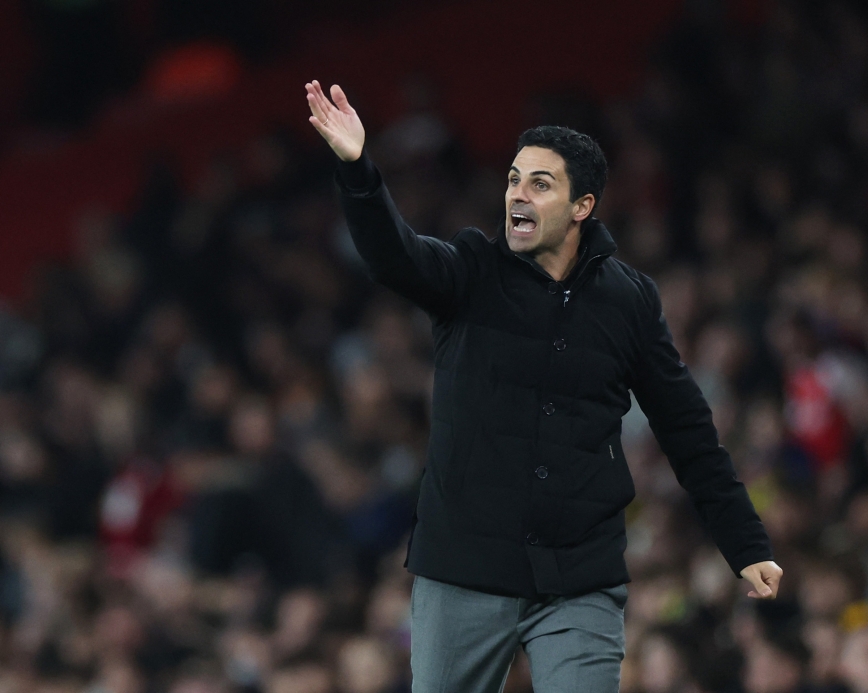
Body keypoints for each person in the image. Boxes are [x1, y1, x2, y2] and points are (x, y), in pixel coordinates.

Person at [305, 80, 783, 693]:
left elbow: (686, 428)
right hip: (464, 571)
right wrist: (357, 170)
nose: (517, 195)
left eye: (539, 183)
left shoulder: (629, 301)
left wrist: (745, 542)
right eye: (513, 180)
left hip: (579, 578)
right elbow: (392, 256)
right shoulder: (471, 271)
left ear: (582, 206)